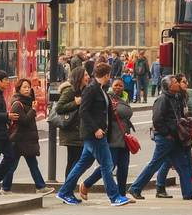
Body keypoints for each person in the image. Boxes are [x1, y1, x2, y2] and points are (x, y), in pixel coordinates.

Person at [55, 63, 130, 206]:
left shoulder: (100, 89)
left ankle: (64, 192)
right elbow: (83, 111)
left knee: (82, 164)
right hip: (94, 134)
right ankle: (114, 197)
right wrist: (96, 129)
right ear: (107, 75)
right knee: (107, 165)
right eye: (109, 75)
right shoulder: (91, 89)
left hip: (97, 134)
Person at [128, 75, 192, 200]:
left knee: (182, 165)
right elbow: (157, 120)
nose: (177, 84)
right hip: (166, 139)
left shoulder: (174, 97)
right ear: (169, 86)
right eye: (175, 82)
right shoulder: (162, 99)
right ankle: (135, 188)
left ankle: (189, 193)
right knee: (155, 164)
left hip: (174, 138)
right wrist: (167, 133)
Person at [83, 78, 134, 197]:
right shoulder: (108, 96)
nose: (118, 88)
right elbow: (124, 112)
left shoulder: (125, 97)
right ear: (111, 86)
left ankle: (122, 194)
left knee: (123, 167)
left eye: (121, 86)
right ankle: (86, 184)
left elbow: (126, 112)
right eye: (116, 85)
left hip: (124, 137)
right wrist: (123, 110)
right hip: (113, 137)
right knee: (109, 166)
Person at [1, 77, 50, 193]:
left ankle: (41, 186)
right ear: (19, 89)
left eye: (28, 87)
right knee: (12, 166)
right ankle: (5, 188)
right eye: (24, 87)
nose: (27, 89)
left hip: (26, 140)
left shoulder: (28, 102)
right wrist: (33, 110)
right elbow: (24, 121)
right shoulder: (17, 104)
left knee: (33, 164)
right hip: (18, 140)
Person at [56, 66, 86, 177]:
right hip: (71, 131)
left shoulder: (83, 90)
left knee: (76, 160)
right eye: (85, 75)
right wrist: (75, 103)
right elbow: (59, 107)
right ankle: (68, 187)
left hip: (78, 131)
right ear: (79, 77)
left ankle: (68, 187)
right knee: (74, 160)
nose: (88, 77)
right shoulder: (70, 90)